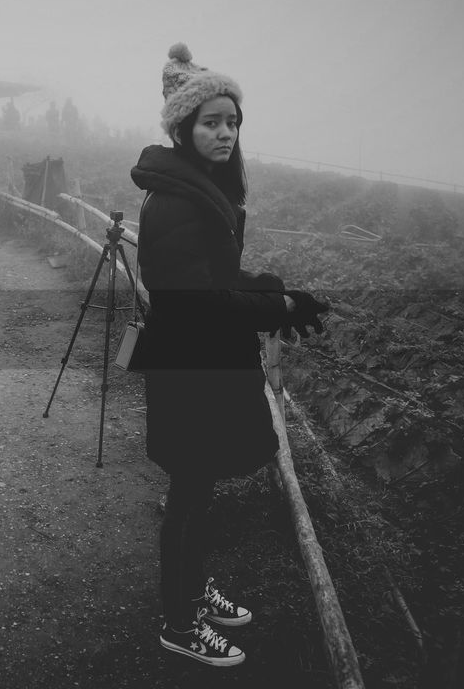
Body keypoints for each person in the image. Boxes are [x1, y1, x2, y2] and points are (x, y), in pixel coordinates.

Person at [129, 42, 329, 667]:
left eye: (232, 121)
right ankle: (180, 623)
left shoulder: (201, 191)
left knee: (199, 489)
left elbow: (219, 277)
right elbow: (199, 304)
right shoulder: (179, 203)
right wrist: (281, 309)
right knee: (191, 492)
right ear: (183, 128)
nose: (224, 132)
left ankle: (190, 589)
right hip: (194, 370)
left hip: (203, 366)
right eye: (211, 122)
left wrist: (271, 290)